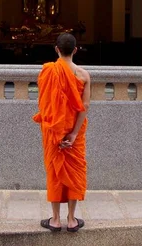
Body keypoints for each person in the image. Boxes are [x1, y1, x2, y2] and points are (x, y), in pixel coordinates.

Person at [33, 33, 91, 233]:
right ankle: (72, 219)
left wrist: (57, 132)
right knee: (75, 171)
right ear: (75, 50)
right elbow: (84, 107)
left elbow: (45, 104)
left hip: (53, 131)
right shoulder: (83, 75)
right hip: (75, 132)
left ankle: (56, 220)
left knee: (55, 172)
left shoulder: (48, 71)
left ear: (56, 49)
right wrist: (73, 134)